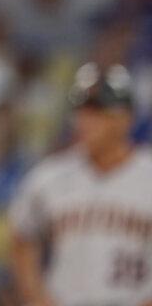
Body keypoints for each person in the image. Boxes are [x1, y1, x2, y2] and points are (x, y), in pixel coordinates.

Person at [10, 63, 152, 306]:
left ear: (125, 118)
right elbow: (21, 239)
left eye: (98, 111)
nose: (85, 120)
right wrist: (38, 298)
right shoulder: (48, 176)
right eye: (81, 111)